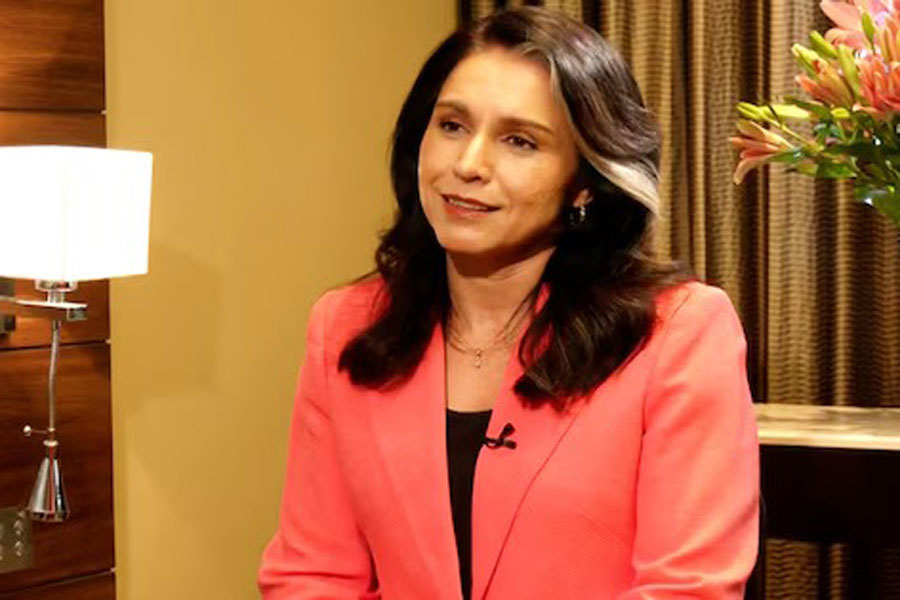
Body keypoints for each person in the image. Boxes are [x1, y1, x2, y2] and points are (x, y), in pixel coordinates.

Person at [258, 7, 759, 599]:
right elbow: (313, 575)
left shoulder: (679, 332)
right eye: (452, 126)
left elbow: (688, 588)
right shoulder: (346, 326)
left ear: (584, 182)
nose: (468, 165)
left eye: (520, 141)